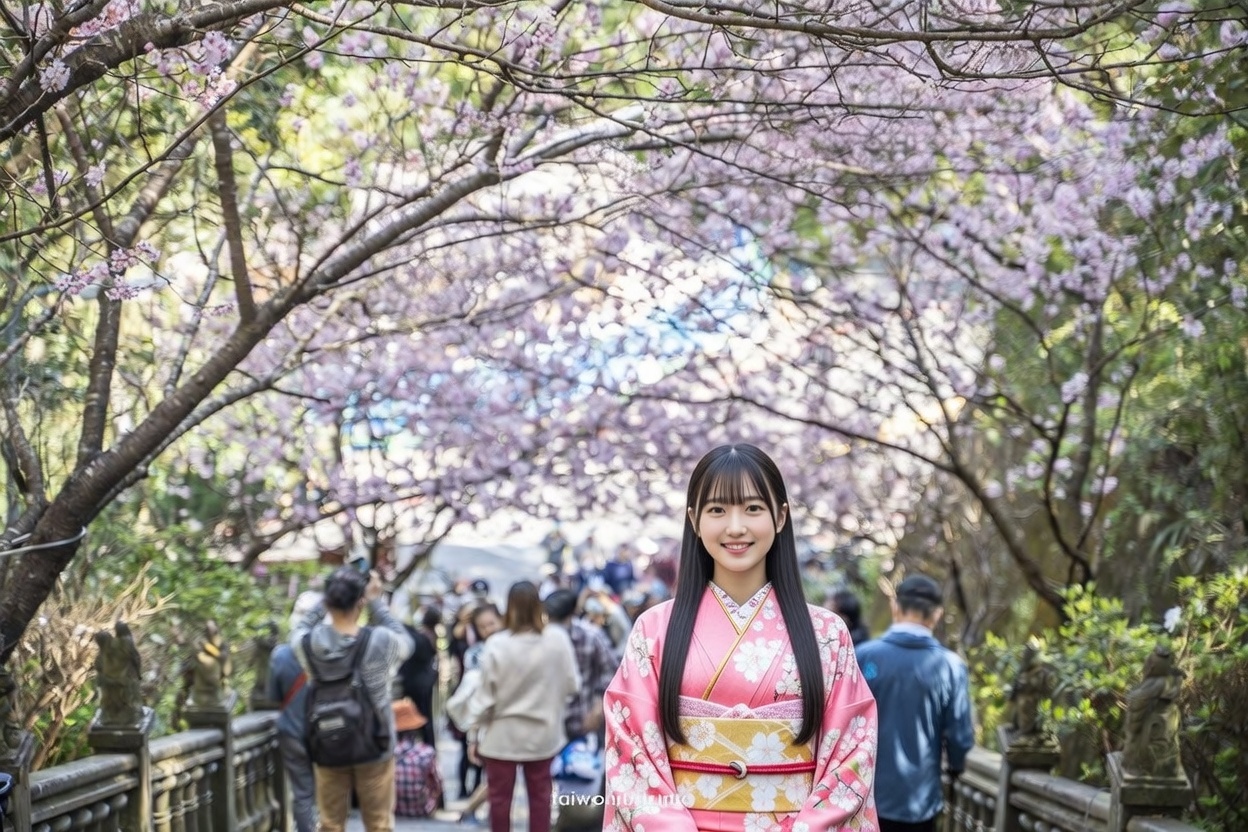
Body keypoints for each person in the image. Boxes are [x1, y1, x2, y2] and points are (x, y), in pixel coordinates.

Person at [603, 443, 879, 832]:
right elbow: (630, 752)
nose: (735, 526)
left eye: (752, 508)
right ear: (694, 520)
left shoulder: (828, 634)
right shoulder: (653, 630)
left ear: (780, 516)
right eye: (717, 510)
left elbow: (853, 753)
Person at [291, 566, 415, 832]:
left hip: (327, 740)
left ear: (328, 601)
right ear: (360, 600)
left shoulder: (308, 644)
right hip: (374, 742)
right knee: (379, 824)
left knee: (331, 824)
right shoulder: (379, 640)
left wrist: (324, 601)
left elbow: (298, 628)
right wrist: (376, 602)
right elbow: (407, 641)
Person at [855, 575, 974, 832]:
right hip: (918, 803)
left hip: (862, 796)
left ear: (895, 607)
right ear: (937, 615)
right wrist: (955, 766)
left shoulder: (863, 656)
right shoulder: (951, 667)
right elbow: (960, 737)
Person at [466, 581, 580, 832]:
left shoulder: (497, 644)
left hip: (501, 736)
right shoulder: (557, 640)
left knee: (499, 801)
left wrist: (473, 736)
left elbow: (484, 699)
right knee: (540, 801)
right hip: (543, 735)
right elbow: (572, 685)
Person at [544, 589, 619, 743]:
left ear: (572, 615)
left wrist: (598, 708)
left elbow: (612, 671)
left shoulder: (591, 636)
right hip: (549, 726)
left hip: (583, 722)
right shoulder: (540, 638)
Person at [267, 639, 316, 832]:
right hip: (327, 734)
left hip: (292, 733)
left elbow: (273, 696)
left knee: (302, 793)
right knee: (332, 789)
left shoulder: (281, 655)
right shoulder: (332, 647)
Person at [397, 606, 441, 748]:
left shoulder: (422, 638)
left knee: (422, 718)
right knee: (425, 718)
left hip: (417, 684)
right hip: (424, 683)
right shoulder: (429, 636)